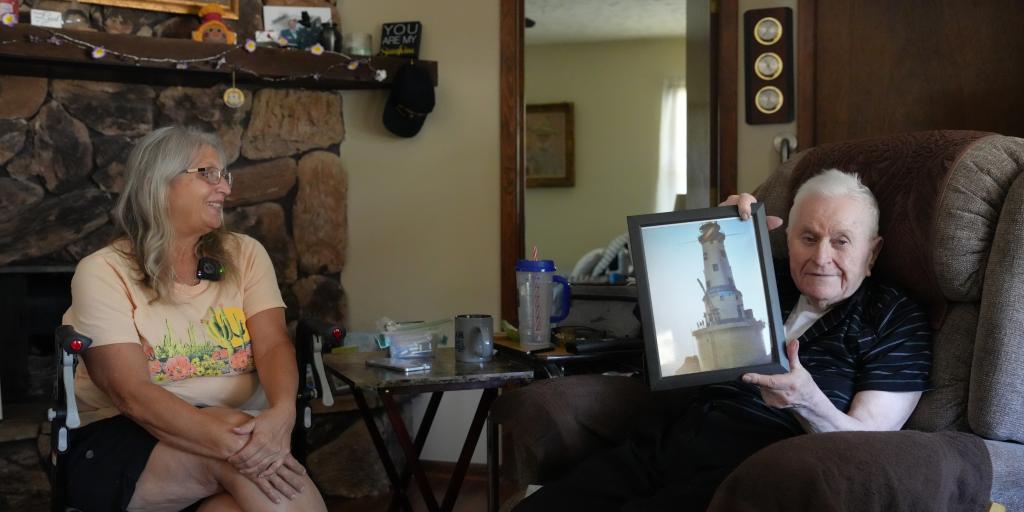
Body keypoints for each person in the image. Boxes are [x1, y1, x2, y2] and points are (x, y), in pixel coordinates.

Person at [514, 169, 932, 511]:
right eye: (808, 237)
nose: (821, 257)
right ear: (787, 241)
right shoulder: (764, 278)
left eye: (841, 241)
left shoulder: (893, 316)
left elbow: (868, 447)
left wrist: (808, 400)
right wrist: (723, 233)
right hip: (672, 440)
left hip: (754, 466)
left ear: (872, 253)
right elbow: (669, 328)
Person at [62, 126, 327, 511]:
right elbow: (129, 392)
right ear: (156, 182)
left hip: (238, 426)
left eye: (225, 175)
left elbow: (272, 344)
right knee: (261, 477)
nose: (225, 189)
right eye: (208, 173)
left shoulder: (245, 254)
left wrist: (282, 413)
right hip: (125, 435)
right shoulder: (103, 270)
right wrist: (238, 443)